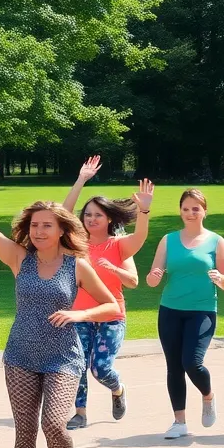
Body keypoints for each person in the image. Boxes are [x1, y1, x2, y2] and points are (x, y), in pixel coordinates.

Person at [0, 144, 119, 448]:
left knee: (54, 425)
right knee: (24, 432)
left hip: (63, 358)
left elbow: (111, 306)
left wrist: (80, 313)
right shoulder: (20, 258)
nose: (38, 231)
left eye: (46, 225)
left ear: (61, 229)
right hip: (20, 354)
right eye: (34, 225)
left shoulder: (76, 265)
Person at [59, 156, 155, 429]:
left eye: (97, 215)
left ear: (109, 218)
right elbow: (64, 214)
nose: (91, 219)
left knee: (100, 368)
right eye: (87, 214)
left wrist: (145, 212)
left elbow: (139, 239)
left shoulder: (119, 245)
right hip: (80, 315)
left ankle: (117, 388)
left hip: (112, 316)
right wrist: (80, 180)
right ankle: (80, 412)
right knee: (77, 364)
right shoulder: (75, 243)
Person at [146, 189, 224, 439]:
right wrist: (153, 277)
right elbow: (153, 280)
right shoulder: (168, 239)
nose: (190, 213)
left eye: (196, 208)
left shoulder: (216, 241)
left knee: (192, 362)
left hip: (202, 310)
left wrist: (220, 278)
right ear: (180, 211)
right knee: (174, 366)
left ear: (204, 211)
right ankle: (179, 422)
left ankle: (208, 396)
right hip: (170, 309)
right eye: (186, 208)